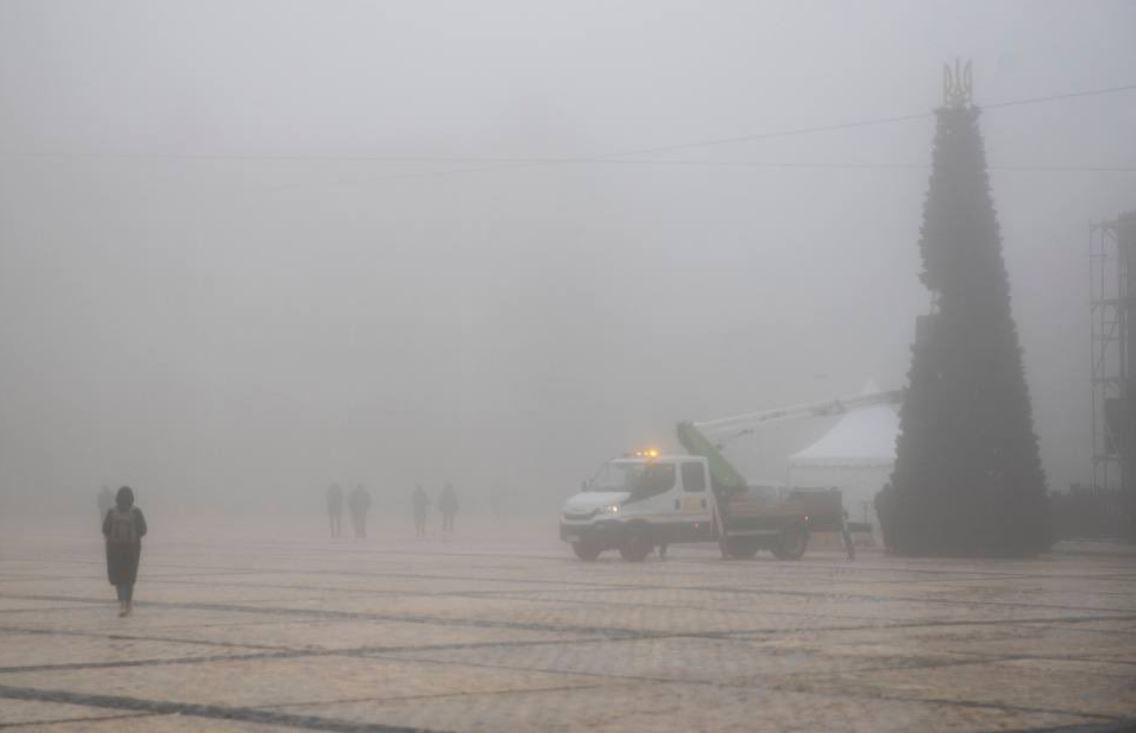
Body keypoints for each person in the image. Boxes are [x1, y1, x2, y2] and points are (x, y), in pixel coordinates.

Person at [102, 486, 147, 617]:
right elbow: (143, 530)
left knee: (119, 577)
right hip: (132, 549)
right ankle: (128, 602)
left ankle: (121, 602)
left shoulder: (112, 512)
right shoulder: (136, 512)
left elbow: (105, 529)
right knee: (129, 577)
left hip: (115, 549)